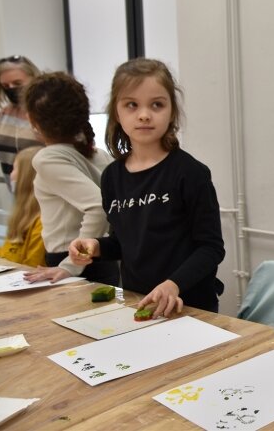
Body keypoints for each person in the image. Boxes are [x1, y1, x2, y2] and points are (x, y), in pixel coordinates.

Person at [68, 58, 225, 317]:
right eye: (132, 105)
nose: (144, 114)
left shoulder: (190, 173)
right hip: (137, 302)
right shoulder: (111, 177)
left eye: (157, 105)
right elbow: (124, 242)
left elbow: (211, 248)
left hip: (191, 304)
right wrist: (96, 247)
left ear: (172, 111)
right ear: (117, 113)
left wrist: (173, 284)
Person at [20, 72, 119, 285]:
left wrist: (70, 265)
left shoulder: (48, 158)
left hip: (74, 261)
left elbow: (97, 206)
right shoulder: (97, 154)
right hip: (101, 260)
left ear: (32, 119)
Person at [0, 55, 44, 189]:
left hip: (47, 194)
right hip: (18, 196)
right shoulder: (4, 115)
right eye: (5, 86)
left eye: (17, 83)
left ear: (34, 79)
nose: (11, 89)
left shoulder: (49, 113)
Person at [0, 146, 45, 266]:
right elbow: (6, 253)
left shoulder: (42, 221)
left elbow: (31, 267)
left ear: (27, 176)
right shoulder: (21, 216)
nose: (11, 174)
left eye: (14, 168)